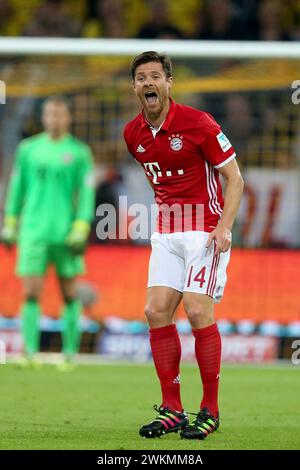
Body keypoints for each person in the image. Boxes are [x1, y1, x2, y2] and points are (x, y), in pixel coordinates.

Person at [124, 51, 244, 440]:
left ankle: (210, 409)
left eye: (155, 76)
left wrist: (224, 226)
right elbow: (160, 183)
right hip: (167, 233)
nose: (148, 83)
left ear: (169, 82)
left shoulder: (199, 123)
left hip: (205, 232)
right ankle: (172, 409)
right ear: (134, 87)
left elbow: (235, 179)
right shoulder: (133, 134)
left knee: (195, 310)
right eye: (141, 78)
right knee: (155, 311)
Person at [1, 96, 95, 367]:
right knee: (31, 291)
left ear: (68, 117)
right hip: (33, 231)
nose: (54, 119)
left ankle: (70, 354)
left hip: (66, 233)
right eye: (49, 114)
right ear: (43, 117)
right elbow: (16, 189)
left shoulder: (79, 152)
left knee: (69, 293)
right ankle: (29, 353)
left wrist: (81, 225)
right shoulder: (28, 149)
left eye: (59, 114)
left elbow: (86, 194)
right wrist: (10, 221)